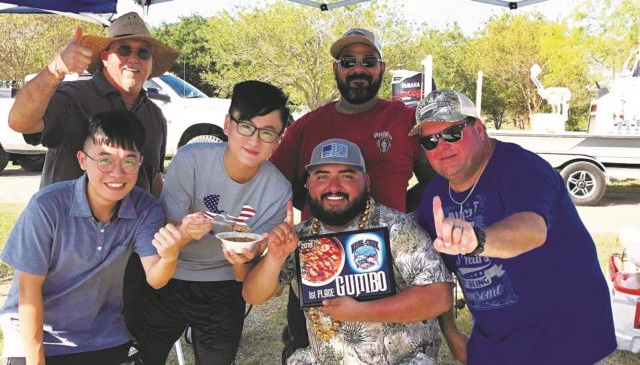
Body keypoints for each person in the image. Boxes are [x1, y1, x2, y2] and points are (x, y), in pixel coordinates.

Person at [412, 90, 617, 364]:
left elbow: (531, 229)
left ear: (479, 129)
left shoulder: (523, 169)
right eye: (429, 140)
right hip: (497, 345)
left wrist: (477, 240)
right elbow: (436, 274)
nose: (442, 146)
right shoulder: (434, 197)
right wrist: (451, 331)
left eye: (452, 133)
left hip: (565, 340)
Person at [270, 28, 435, 361]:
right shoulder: (307, 126)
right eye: (349, 61)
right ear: (336, 70)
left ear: (381, 69)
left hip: (391, 259)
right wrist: (324, 210)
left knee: (393, 349)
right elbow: (275, 184)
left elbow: (434, 181)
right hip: (320, 263)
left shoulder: (404, 119)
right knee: (312, 348)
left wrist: (405, 215)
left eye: (368, 61)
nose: (358, 69)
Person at [0, 111, 190, 365]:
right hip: (37, 336)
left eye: (129, 162)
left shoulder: (145, 208)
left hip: (104, 335)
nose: (117, 173)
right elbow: (28, 290)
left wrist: (170, 255)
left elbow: (155, 278)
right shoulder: (47, 207)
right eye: (105, 160)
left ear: (140, 162)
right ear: (82, 160)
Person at [126, 80, 293, 365]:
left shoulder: (278, 190)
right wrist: (187, 232)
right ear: (228, 124)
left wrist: (244, 258)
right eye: (246, 126)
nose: (254, 140)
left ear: (279, 139)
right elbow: (165, 237)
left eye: (267, 133)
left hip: (223, 285)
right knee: (143, 358)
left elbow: (244, 276)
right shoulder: (191, 161)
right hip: (168, 275)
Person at [244, 138, 453, 364]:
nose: (333, 186)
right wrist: (275, 258)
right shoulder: (298, 238)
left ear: (366, 181)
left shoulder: (397, 228)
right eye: (322, 176)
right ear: (308, 184)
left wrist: (361, 311)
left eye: (347, 176)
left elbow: (438, 297)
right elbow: (253, 295)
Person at [8, 11, 179, 195]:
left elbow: (153, 178)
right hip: (67, 222)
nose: (134, 58)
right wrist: (56, 69)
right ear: (105, 57)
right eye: (124, 49)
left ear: (151, 62)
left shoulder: (154, 116)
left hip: (136, 223)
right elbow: (19, 122)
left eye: (143, 52)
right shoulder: (72, 98)